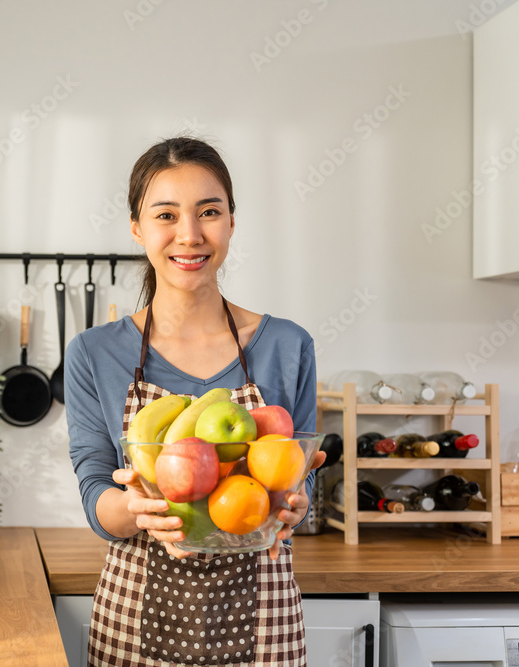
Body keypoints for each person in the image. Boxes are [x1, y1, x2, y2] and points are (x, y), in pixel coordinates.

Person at [65, 136, 326, 666]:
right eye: (166, 215)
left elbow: (297, 481)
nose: (190, 235)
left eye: (209, 211)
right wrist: (136, 511)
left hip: (265, 625)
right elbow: (96, 487)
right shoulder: (95, 353)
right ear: (137, 228)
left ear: (231, 220)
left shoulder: (287, 346)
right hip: (133, 623)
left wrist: (298, 502)